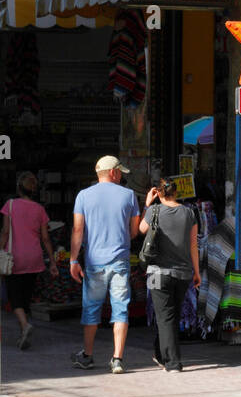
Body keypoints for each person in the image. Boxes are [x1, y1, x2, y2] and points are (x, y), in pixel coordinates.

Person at [70, 156, 140, 373]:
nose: (121, 176)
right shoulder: (129, 195)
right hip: (120, 261)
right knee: (121, 309)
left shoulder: (83, 196)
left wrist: (73, 260)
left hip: (94, 263)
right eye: (120, 172)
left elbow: (78, 230)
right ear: (113, 172)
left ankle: (87, 355)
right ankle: (117, 359)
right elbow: (134, 232)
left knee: (91, 309)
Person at [138, 181, 200, 373]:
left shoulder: (154, 211)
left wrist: (147, 204)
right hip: (182, 273)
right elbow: (193, 246)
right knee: (170, 316)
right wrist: (196, 272)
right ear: (176, 192)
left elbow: (141, 230)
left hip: (156, 273)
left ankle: (172, 362)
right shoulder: (189, 213)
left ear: (159, 193)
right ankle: (160, 352)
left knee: (164, 317)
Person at [1, 172, 57, 350]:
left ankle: (25, 326)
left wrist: (0, 249)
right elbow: (46, 238)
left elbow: (5, 232)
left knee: (14, 296)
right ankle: (22, 333)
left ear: (18, 188)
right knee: (25, 296)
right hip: (34, 258)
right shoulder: (39, 209)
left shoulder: (9, 206)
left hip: (14, 258)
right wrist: (53, 262)